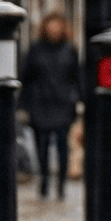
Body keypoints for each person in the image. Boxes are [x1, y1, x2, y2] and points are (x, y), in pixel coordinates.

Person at [19, 12, 82, 200]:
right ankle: (44, 181)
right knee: (42, 145)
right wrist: (22, 104)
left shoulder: (69, 50)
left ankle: (61, 184)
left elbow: (77, 77)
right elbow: (26, 76)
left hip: (63, 103)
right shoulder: (36, 49)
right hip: (40, 103)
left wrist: (81, 100)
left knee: (63, 144)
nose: (54, 29)